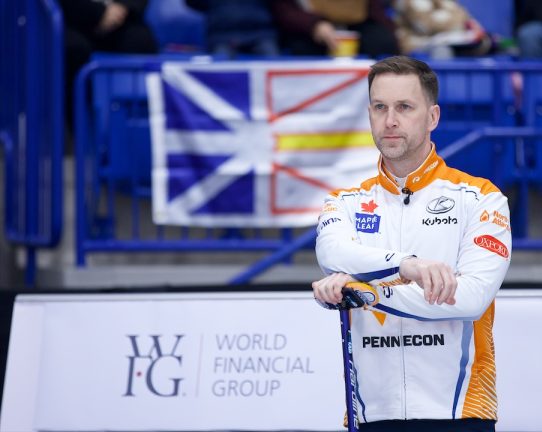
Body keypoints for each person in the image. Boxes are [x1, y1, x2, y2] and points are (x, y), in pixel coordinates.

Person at [312, 56, 511, 431]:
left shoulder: (481, 198)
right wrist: (408, 265)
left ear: (432, 117)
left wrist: (363, 292)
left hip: (460, 414)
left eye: (404, 107)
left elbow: (471, 300)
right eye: (379, 107)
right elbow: (332, 252)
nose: (390, 120)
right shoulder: (344, 201)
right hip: (371, 415)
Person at [61, 0, 157, 145]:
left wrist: (121, 7)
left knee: (140, 41)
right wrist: (98, 13)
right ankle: (80, 136)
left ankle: (135, 137)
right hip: (72, 20)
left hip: (123, 18)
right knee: (73, 49)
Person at [270, 0, 400, 58]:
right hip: (309, 25)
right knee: (303, 49)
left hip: (357, 24)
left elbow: (375, 11)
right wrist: (314, 24)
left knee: (382, 42)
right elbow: (283, 10)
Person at [184, 0, 279, 57]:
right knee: (218, 73)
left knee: (275, 67)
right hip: (222, 34)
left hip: (260, 33)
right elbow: (194, 2)